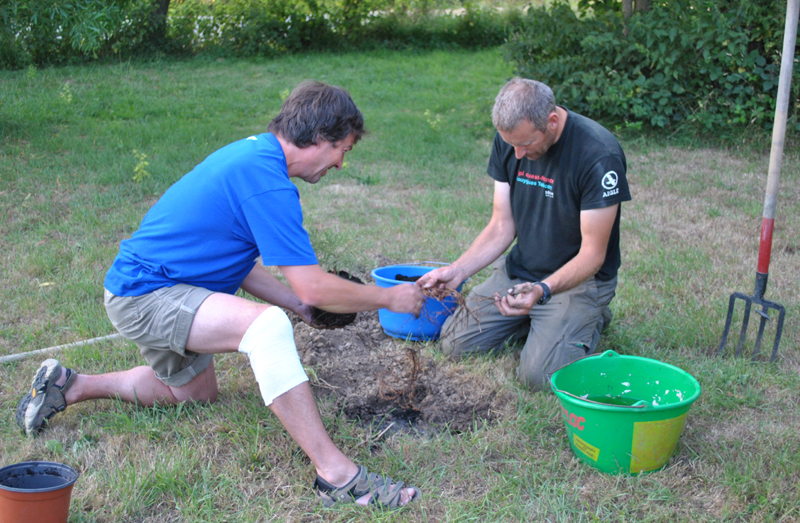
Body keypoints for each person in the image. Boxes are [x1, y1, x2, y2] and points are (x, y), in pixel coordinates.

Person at [15, 81, 422, 510]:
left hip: (162, 288)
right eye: (344, 149)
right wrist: (390, 299)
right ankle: (337, 474)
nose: (341, 163)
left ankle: (70, 385)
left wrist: (299, 306)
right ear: (321, 136)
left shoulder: (257, 158)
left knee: (192, 395)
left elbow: (240, 262)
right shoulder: (265, 179)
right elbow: (314, 283)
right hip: (146, 293)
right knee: (266, 329)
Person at [419, 78, 631, 390]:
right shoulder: (510, 141)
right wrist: (457, 271)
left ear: (552, 121)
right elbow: (502, 226)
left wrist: (542, 290)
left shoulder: (598, 154)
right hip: (520, 275)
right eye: (511, 145)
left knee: (538, 377)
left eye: (525, 144)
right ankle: (539, 322)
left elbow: (593, 255)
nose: (517, 155)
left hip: (579, 282)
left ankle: (589, 318)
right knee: (454, 344)